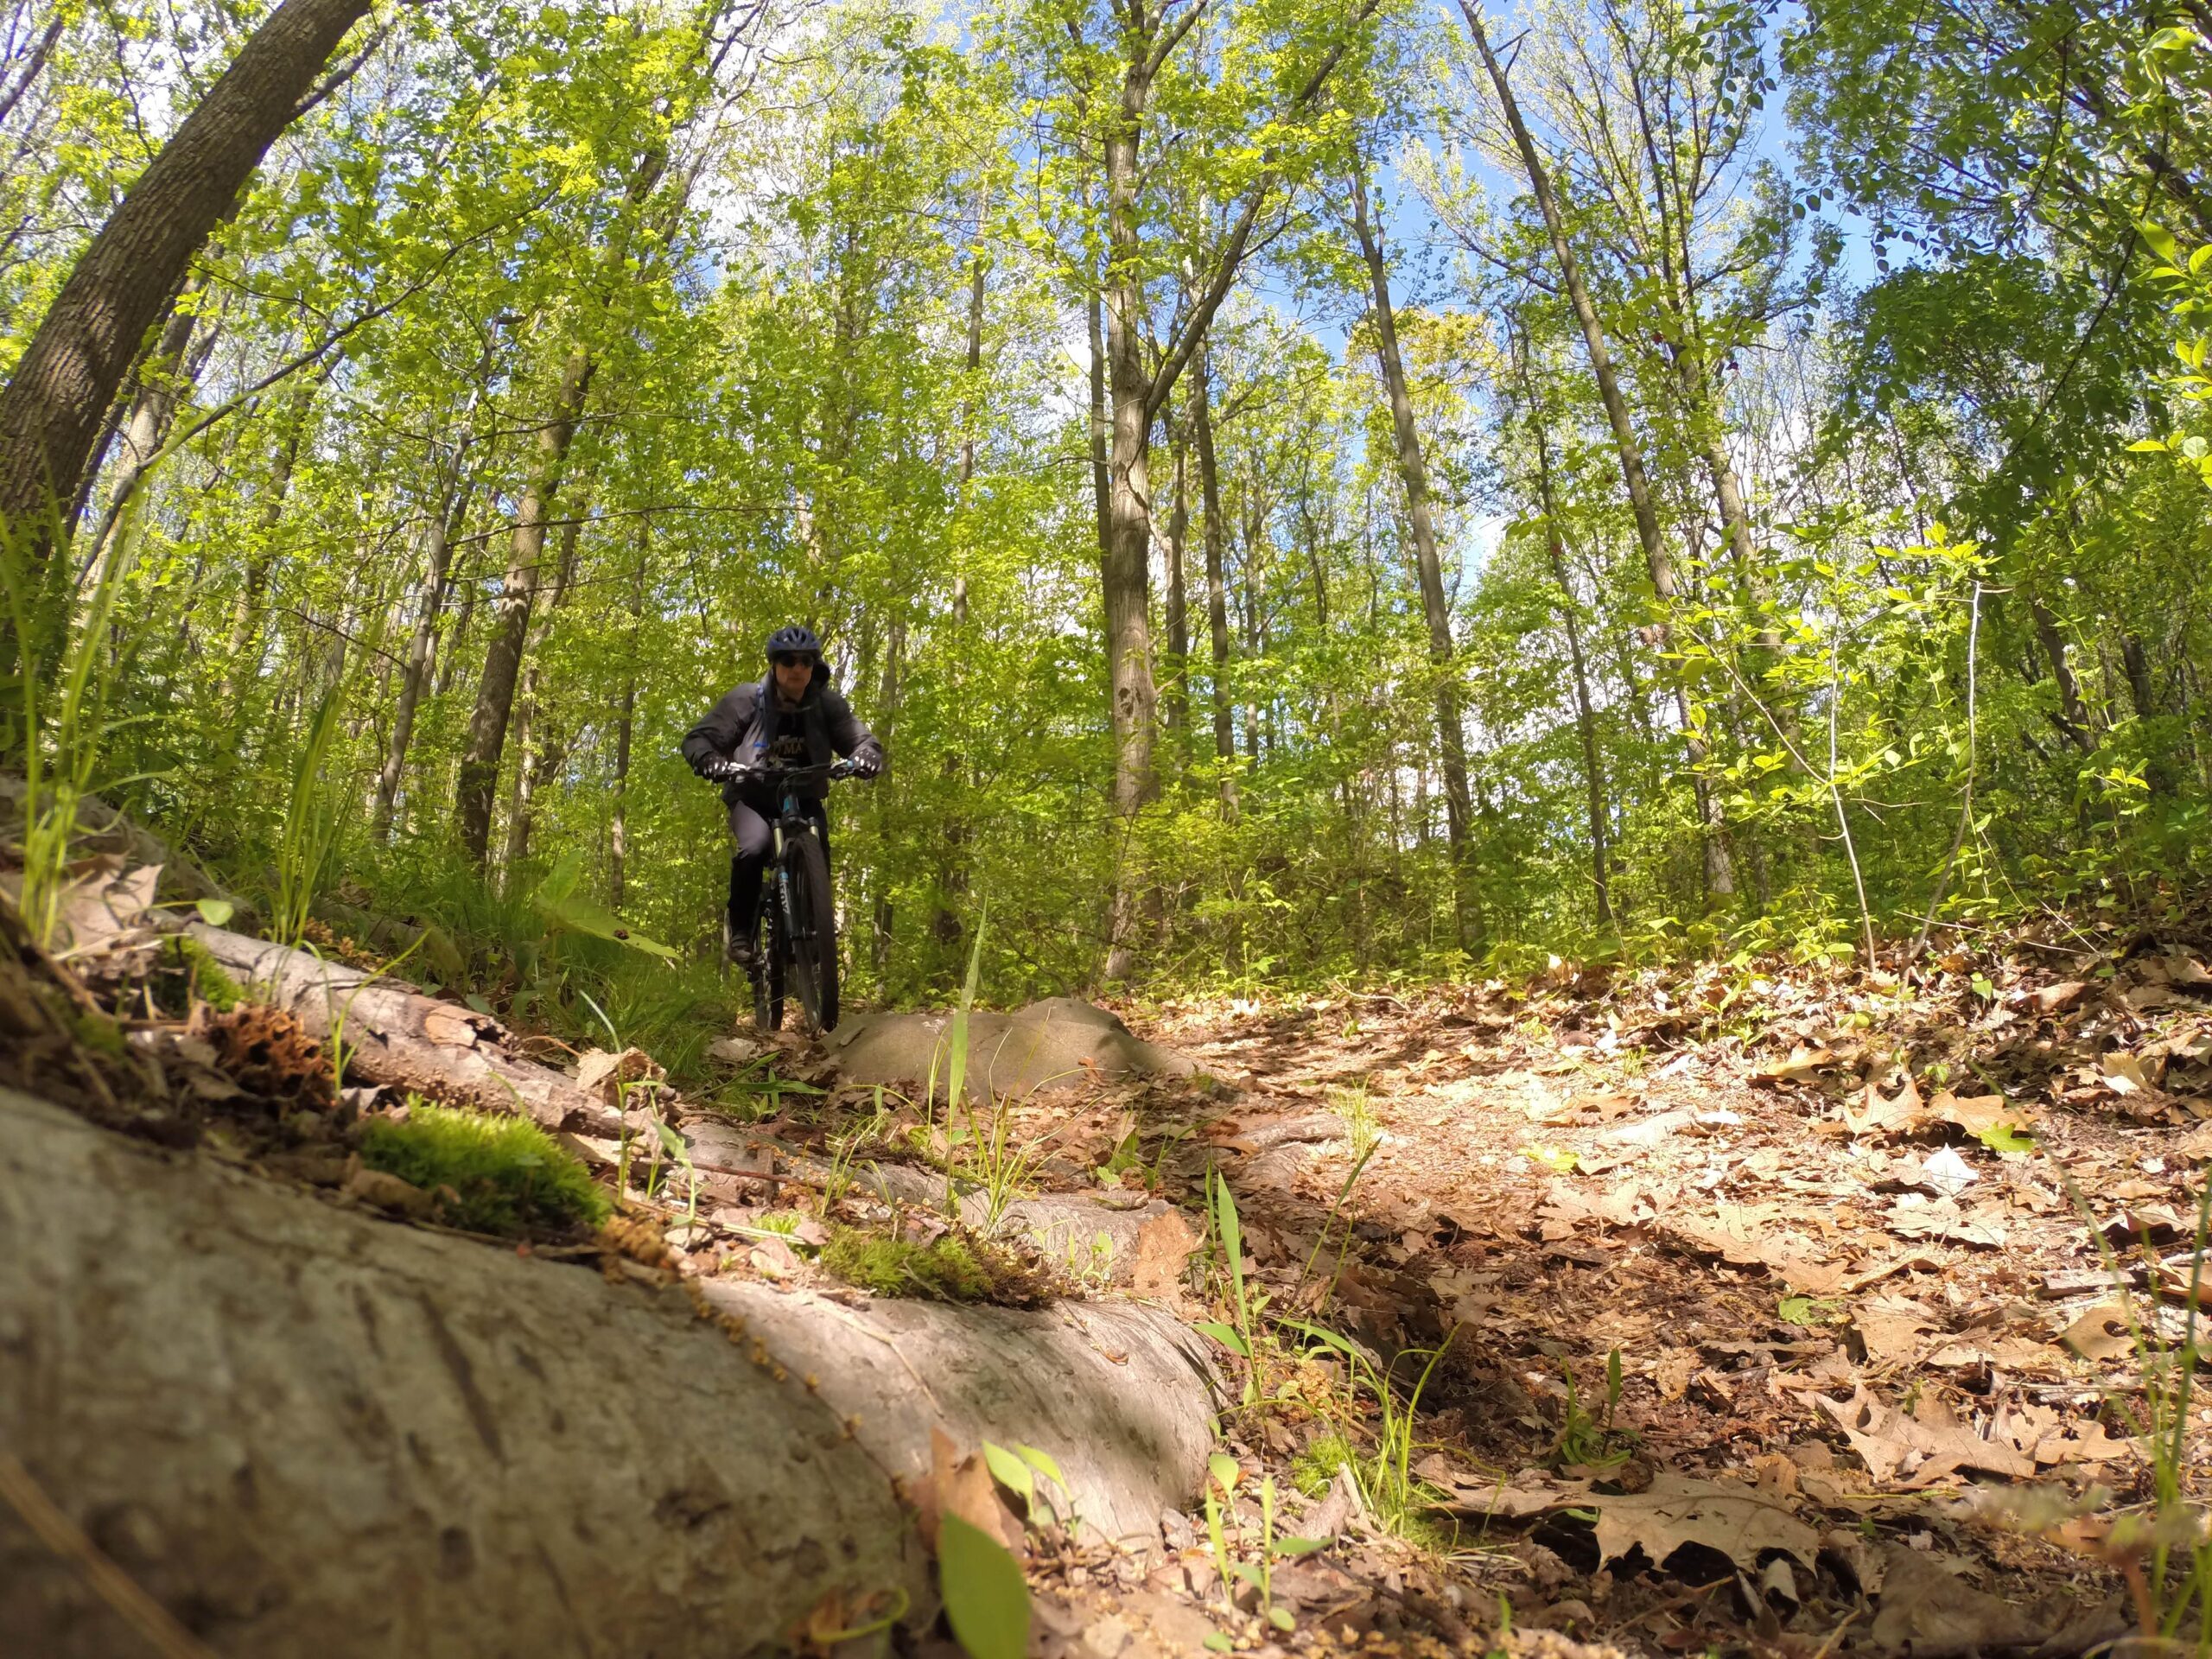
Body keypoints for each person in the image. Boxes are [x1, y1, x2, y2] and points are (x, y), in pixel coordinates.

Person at [682, 625, 883, 971]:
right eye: (788, 661)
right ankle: (743, 931)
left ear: (813, 666)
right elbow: (698, 739)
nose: (797, 669)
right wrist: (711, 761)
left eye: (806, 661)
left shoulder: (826, 703)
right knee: (756, 846)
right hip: (753, 794)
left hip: (804, 795)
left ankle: (813, 928)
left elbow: (859, 738)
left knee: (817, 848)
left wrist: (867, 756)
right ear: (775, 665)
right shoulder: (747, 699)